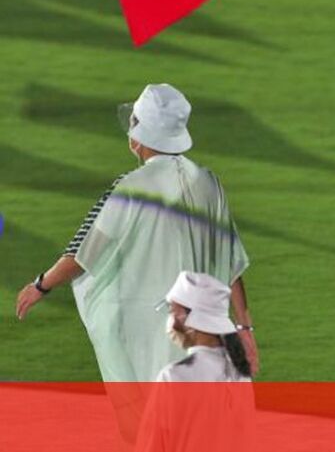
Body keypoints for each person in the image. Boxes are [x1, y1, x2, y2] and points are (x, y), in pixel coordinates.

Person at [14, 84, 256, 436]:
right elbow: (231, 262)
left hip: (152, 332)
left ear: (140, 134)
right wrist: (245, 328)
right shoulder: (210, 183)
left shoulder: (132, 186)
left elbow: (85, 253)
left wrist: (41, 285)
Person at [133, 271, 255, 452]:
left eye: (172, 311)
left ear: (187, 317)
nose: (170, 319)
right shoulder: (240, 373)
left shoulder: (173, 376)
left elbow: (151, 445)